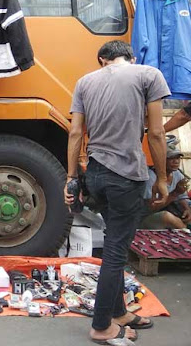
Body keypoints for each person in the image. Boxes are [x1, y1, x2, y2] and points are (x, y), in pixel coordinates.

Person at [65, 40, 169, 344]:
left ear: (102, 60)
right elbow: (158, 132)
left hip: (95, 175)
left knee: (114, 240)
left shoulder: (85, 82)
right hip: (126, 176)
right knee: (115, 251)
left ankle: (118, 312)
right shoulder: (148, 74)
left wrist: (71, 177)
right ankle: (101, 326)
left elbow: (75, 133)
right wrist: (162, 178)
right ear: (131, 57)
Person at [140, 144, 191, 229]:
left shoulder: (177, 174)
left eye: (178, 158)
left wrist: (187, 209)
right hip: (145, 218)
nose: (176, 161)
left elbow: (182, 197)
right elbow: (152, 207)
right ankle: (187, 234)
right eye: (171, 158)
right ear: (161, 160)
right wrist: (175, 193)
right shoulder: (150, 177)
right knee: (167, 217)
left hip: (171, 211)